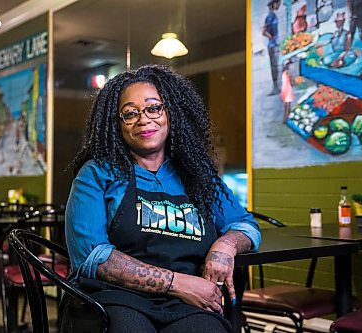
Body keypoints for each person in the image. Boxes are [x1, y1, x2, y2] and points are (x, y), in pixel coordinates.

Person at [62, 64, 261, 333]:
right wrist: (181, 284)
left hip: (184, 304)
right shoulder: (98, 173)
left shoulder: (197, 175)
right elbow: (92, 257)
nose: (144, 120)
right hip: (115, 299)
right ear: (117, 124)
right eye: (130, 113)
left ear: (171, 113)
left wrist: (225, 246)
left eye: (154, 108)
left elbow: (245, 225)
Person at [263, 0, 281, 95]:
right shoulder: (270, 16)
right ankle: (275, 87)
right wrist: (272, 37)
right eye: (278, 3)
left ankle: (277, 87)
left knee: (276, 66)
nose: (279, 5)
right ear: (274, 4)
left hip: (275, 44)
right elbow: (264, 31)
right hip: (272, 45)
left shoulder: (273, 15)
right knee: (274, 66)